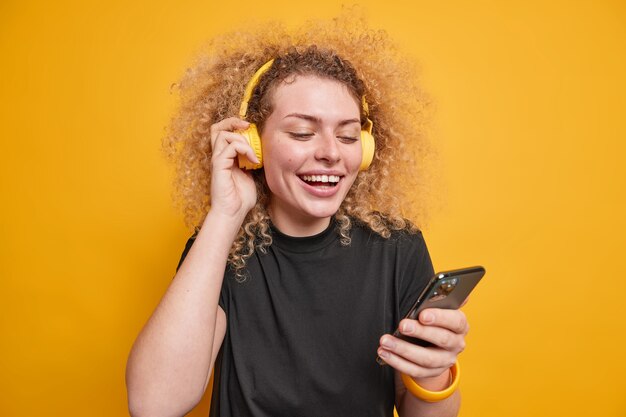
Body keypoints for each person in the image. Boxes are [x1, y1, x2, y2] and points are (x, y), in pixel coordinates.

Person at [126, 15, 469, 417]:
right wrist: (225, 214)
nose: (331, 152)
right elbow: (154, 405)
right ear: (253, 142)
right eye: (303, 133)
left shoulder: (398, 247)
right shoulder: (222, 247)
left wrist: (434, 372)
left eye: (346, 135)